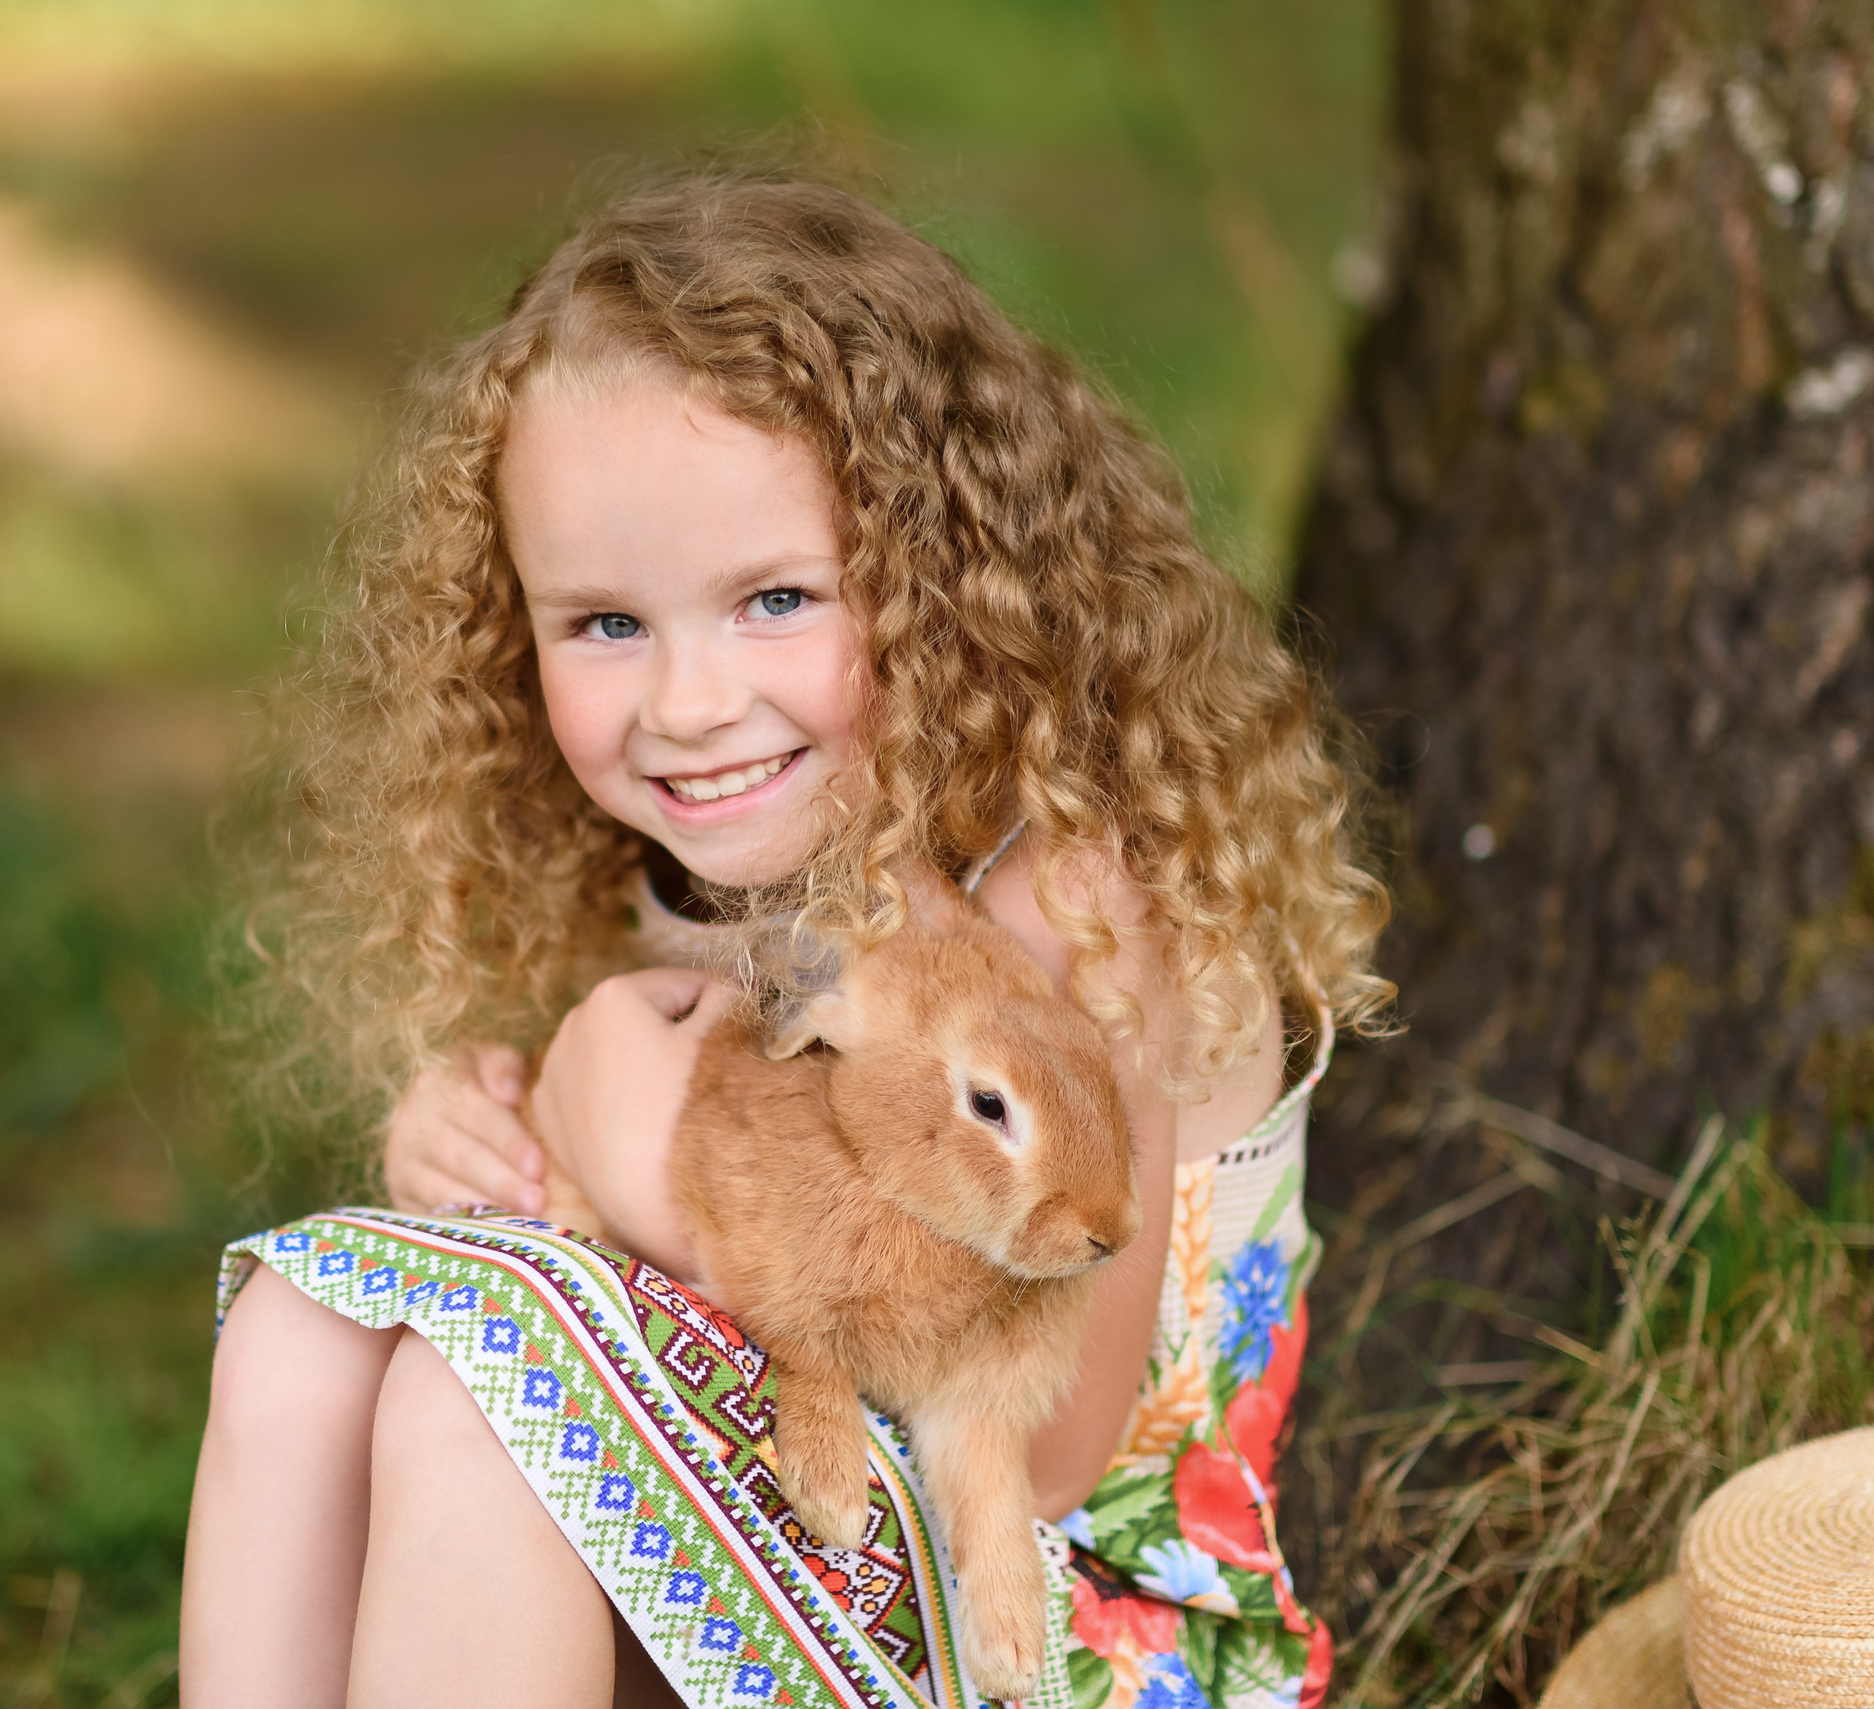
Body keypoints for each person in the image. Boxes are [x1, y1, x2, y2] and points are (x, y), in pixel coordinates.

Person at [179, 172, 1387, 1709]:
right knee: (307, 1329)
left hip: (1052, 1622)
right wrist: (482, 1145)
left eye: (773, 599)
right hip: (807, 1531)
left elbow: (1053, 1449)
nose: (687, 702)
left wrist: (641, 1177)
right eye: (605, 624)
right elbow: (667, 1168)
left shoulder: (1063, 899)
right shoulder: (720, 865)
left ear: (941, 578)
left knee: (480, 1405)